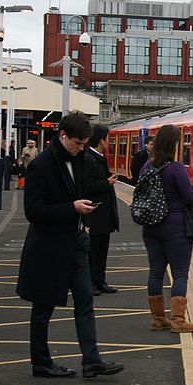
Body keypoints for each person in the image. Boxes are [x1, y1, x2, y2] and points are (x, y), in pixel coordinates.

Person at [16, 111, 124, 379]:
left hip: (76, 240)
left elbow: (78, 191)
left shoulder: (79, 160)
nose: (81, 148)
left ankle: (91, 359)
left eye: (85, 143)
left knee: (85, 298)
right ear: (63, 136)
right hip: (49, 247)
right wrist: (71, 208)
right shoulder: (40, 166)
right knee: (43, 307)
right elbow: (34, 212)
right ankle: (41, 362)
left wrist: (83, 214)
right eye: (77, 142)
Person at [140, 125, 193, 333]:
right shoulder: (176, 168)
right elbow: (189, 197)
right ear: (173, 144)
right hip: (175, 227)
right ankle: (178, 321)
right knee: (180, 273)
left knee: (156, 272)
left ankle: (158, 319)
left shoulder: (147, 167)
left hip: (150, 227)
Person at [85, 124, 120, 295]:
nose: (109, 141)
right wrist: (107, 183)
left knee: (101, 251)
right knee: (93, 251)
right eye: (107, 138)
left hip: (103, 216)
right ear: (101, 141)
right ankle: (91, 282)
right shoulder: (89, 159)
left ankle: (100, 281)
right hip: (96, 215)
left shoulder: (97, 157)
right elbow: (87, 186)